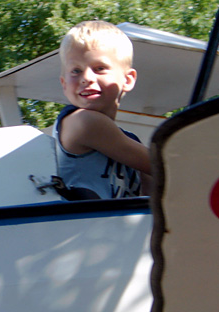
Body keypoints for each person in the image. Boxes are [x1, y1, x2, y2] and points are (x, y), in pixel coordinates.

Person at [54, 20, 152, 199]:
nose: (86, 78)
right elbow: (161, 166)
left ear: (128, 79)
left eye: (100, 68)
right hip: (83, 226)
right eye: (76, 71)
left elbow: (152, 191)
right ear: (64, 84)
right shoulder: (83, 122)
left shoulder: (128, 139)